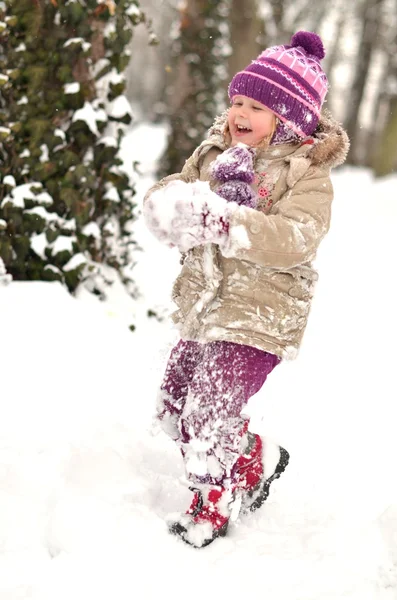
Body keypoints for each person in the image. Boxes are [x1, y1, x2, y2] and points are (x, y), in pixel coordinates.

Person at [143, 31, 349, 548]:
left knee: (208, 409)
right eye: (237, 99)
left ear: (290, 118)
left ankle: (209, 509)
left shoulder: (307, 175)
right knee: (174, 402)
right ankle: (256, 458)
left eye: (257, 105)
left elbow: (295, 238)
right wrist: (168, 206)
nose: (240, 112)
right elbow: (179, 184)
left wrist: (228, 224)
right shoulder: (215, 152)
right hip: (204, 304)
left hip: (259, 314)